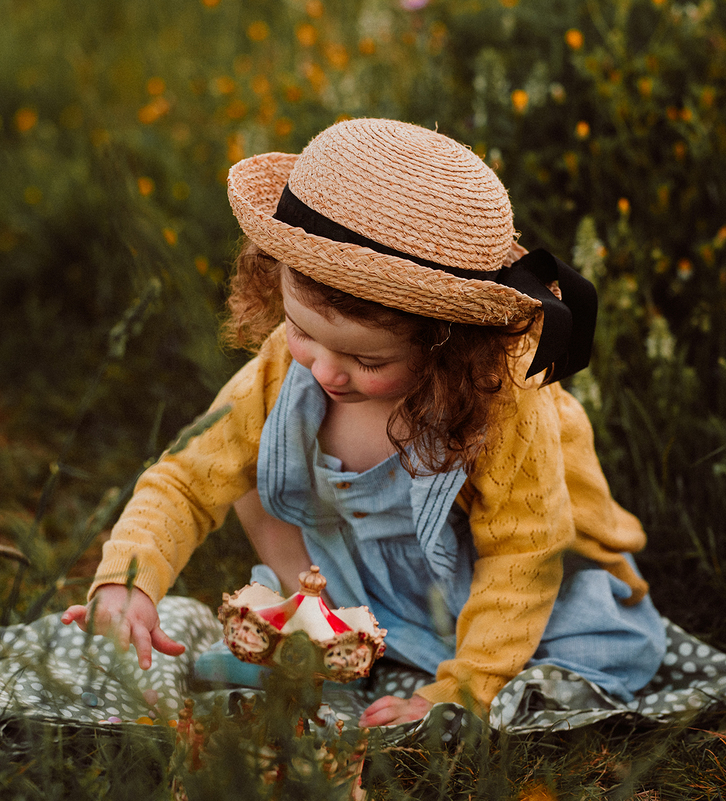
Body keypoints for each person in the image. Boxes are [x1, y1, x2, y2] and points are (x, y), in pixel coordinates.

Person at [62, 118, 666, 728]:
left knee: (565, 667)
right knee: (243, 455)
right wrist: (129, 581)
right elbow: (187, 478)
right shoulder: (283, 369)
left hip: (517, 588)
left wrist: (461, 692)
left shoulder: (501, 401)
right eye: (301, 331)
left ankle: (458, 670)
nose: (325, 371)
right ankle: (323, 628)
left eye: (368, 360)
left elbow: (524, 553)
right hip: (370, 571)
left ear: (451, 347)